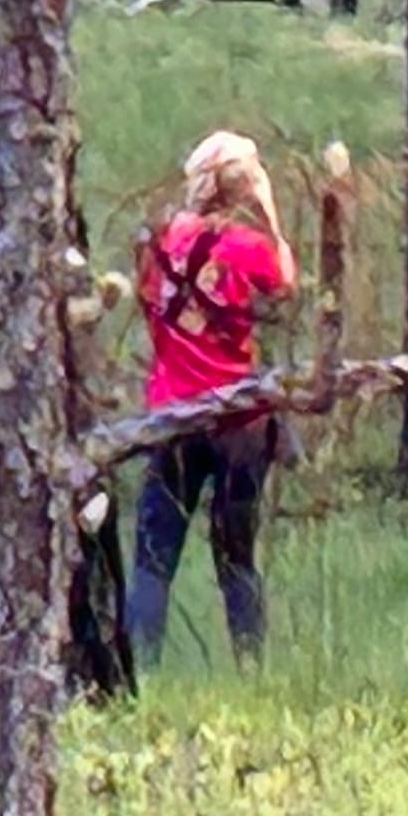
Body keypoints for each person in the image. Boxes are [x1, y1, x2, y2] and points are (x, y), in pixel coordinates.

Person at [124, 131, 297, 667]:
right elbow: (285, 282)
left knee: (154, 558)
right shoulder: (245, 248)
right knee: (237, 555)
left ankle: (139, 671)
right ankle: (251, 668)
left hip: (174, 414)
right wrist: (268, 209)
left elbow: (147, 300)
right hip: (238, 420)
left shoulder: (156, 243)